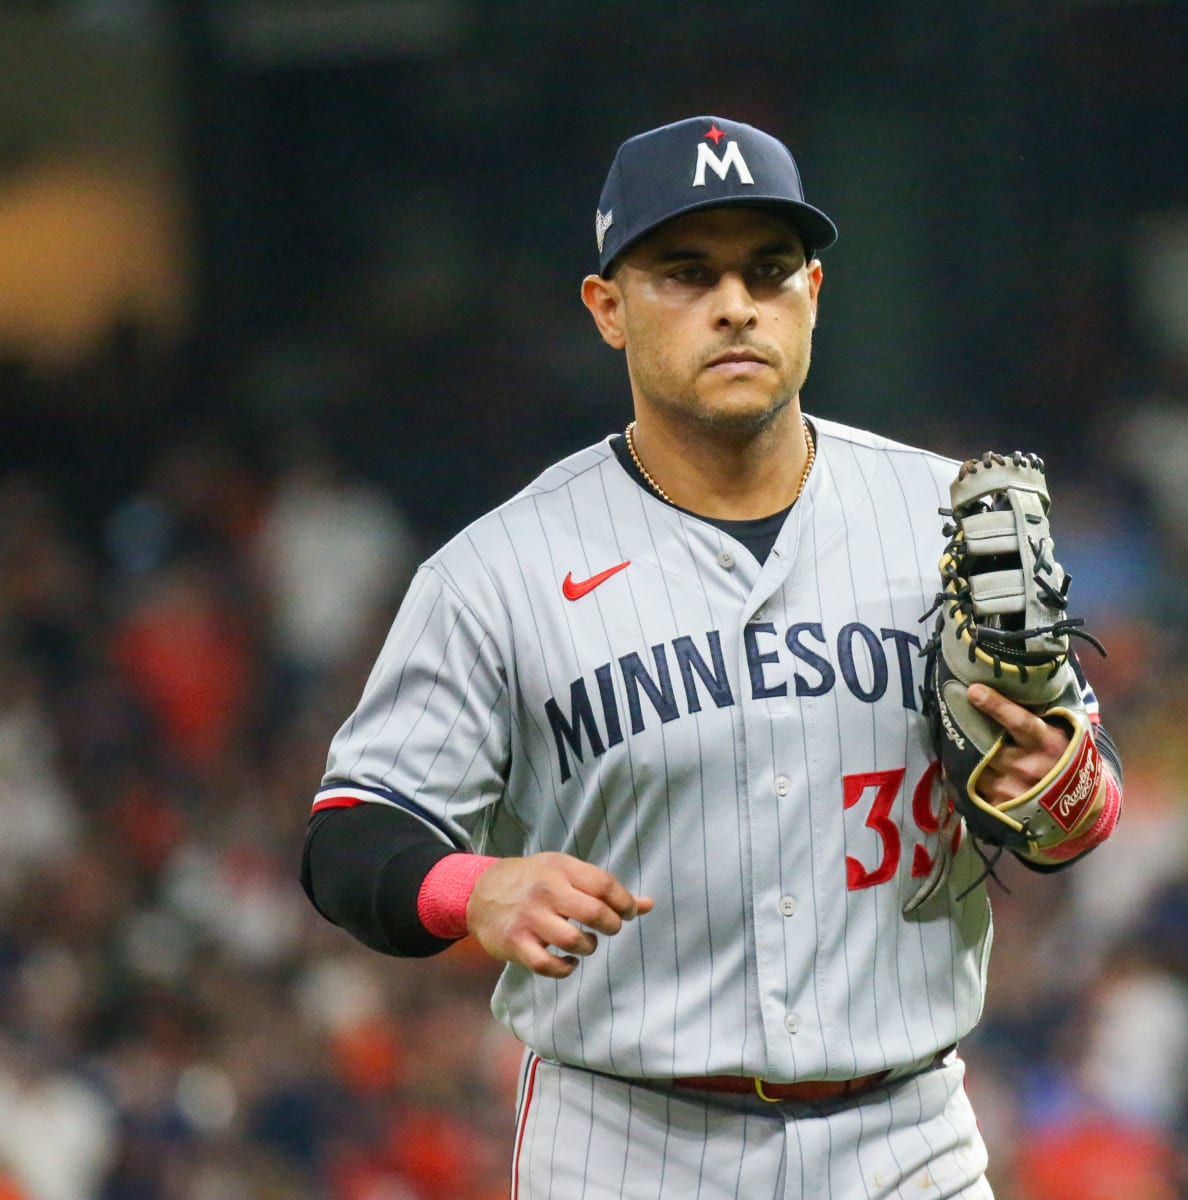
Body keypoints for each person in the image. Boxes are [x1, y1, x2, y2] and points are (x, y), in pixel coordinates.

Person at [300, 114, 1124, 1198]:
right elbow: (351, 838)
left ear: (814, 295)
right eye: (687, 273)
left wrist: (1064, 797)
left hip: (904, 1135)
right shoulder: (498, 570)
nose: (737, 303)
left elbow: (1078, 799)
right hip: (627, 1140)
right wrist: (473, 887)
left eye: (768, 271)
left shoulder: (945, 513)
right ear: (607, 308)